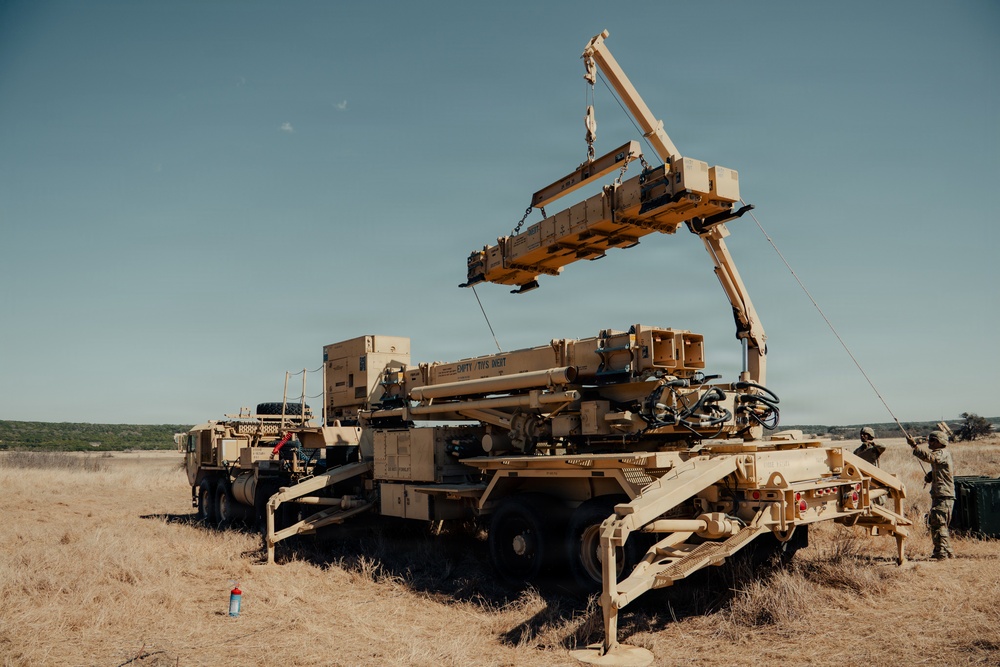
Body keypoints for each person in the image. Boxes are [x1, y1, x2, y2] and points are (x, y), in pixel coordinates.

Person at [907, 431, 955, 560]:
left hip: (943, 495)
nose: (930, 442)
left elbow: (930, 457)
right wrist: (930, 476)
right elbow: (938, 468)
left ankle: (941, 554)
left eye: (933, 440)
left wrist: (915, 446)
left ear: (940, 442)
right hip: (942, 494)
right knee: (941, 524)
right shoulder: (943, 454)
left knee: (938, 524)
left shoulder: (941, 453)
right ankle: (947, 551)